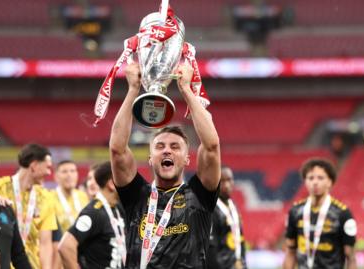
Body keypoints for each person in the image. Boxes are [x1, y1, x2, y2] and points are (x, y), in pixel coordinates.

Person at [109, 62, 221, 268]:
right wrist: (133, 89)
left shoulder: (199, 194)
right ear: (151, 158)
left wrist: (186, 90)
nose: (167, 150)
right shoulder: (137, 196)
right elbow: (117, 150)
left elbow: (212, 147)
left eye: (175, 147)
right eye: (160, 146)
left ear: (188, 159)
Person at [283, 158, 357, 269]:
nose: (315, 182)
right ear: (305, 181)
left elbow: (350, 256)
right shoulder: (295, 211)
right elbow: (290, 252)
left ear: (330, 182)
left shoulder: (343, 214)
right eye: (311, 178)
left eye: (320, 178)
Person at [0, 144, 58, 269]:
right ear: (34, 165)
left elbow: (45, 243)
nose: (49, 172)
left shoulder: (46, 198)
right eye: (47, 167)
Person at [58, 161, 126, 269]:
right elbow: (65, 246)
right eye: (124, 178)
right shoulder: (94, 212)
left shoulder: (117, 208)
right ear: (111, 184)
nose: (129, 183)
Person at [207, 166, 247, 269]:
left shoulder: (233, 206)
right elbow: (211, 251)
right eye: (222, 181)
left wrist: (242, 263)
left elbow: (240, 238)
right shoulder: (211, 209)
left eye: (229, 180)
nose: (227, 185)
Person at [51, 160, 89, 233]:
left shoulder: (83, 196)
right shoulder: (50, 198)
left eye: (73, 171)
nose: (69, 175)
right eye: (64, 171)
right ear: (56, 176)